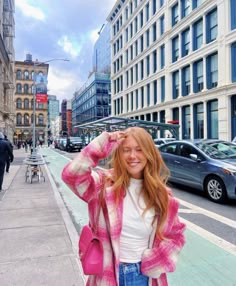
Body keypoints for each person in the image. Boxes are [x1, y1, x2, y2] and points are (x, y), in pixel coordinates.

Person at [62, 127, 186, 286]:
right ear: (119, 153)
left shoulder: (161, 194)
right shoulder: (103, 184)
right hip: (107, 275)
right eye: (126, 150)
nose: (132, 156)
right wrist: (103, 144)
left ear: (149, 154)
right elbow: (71, 176)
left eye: (139, 150)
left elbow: (176, 234)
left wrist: (156, 261)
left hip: (144, 276)